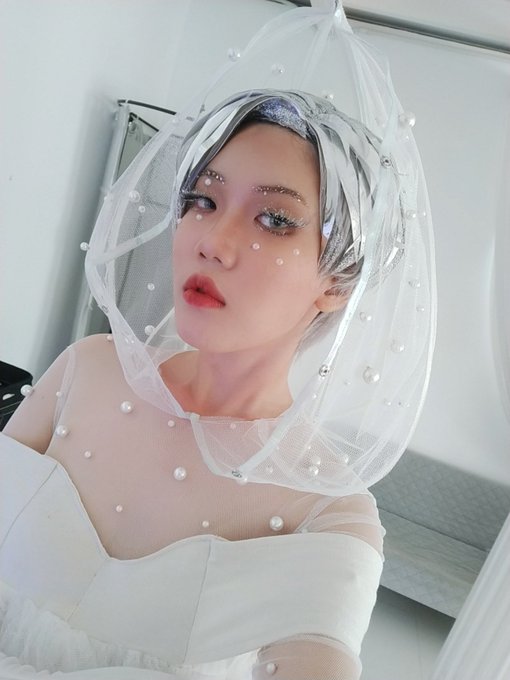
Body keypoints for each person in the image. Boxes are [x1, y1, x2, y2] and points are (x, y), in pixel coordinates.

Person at [0, 4, 436, 680]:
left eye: (274, 219)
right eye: (202, 201)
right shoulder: (85, 369)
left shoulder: (329, 515)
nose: (212, 241)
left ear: (337, 281)